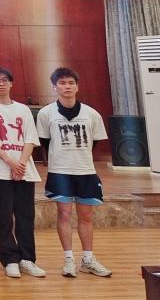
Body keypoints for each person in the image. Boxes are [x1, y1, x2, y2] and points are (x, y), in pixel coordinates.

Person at [36, 67, 111, 278]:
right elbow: (44, 142)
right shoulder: (45, 113)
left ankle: (88, 259)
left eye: (71, 83)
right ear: (54, 87)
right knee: (64, 214)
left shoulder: (91, 114)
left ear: (77, 86)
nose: (67, 87)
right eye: (62, 83)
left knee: (86, 216)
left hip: (85, 171)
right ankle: (68, 260)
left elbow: (95, 142)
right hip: (60, 171)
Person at [0, 67, 46, 278]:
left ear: (11, 83)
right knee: (5, 216)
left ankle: (27, 259)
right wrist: (10, 161)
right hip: (0, 171)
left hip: (24, 170)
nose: (1, 83)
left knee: (26, 215)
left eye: (5, 80)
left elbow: (30, 138)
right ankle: (10, 259)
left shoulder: (23, 109)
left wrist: (21, 164)